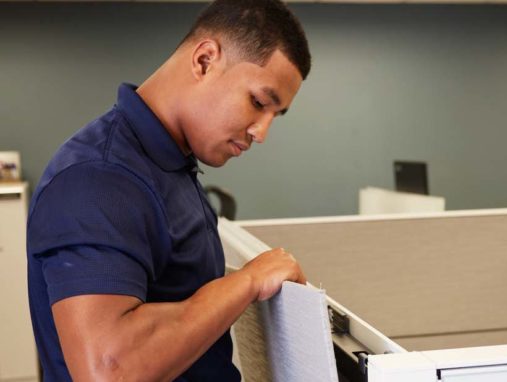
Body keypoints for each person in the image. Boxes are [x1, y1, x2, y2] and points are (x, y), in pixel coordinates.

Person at [26, 0, 311, 380]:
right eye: (258, 102)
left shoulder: (170, 165)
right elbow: (110, 370)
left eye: (274, 115)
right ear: (205, 60)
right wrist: (248, 281)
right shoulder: (99, 178)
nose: (261, 132)